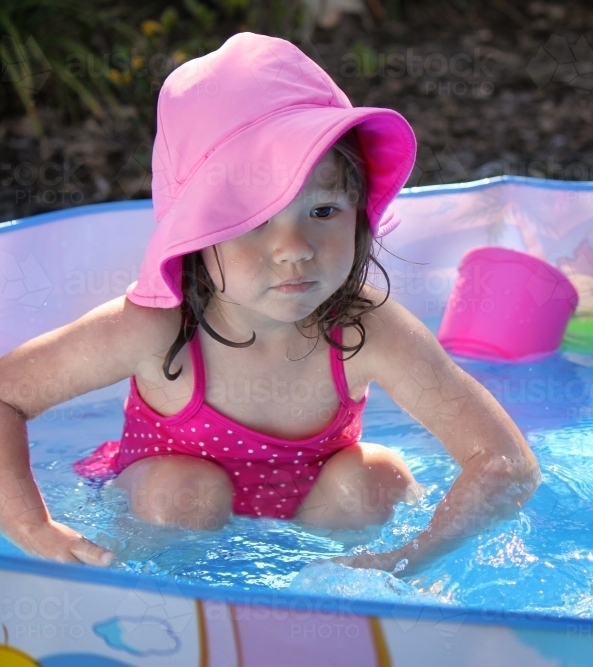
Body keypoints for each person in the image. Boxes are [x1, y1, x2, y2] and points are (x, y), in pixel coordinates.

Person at [0, 32, 540, 575]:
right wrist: (32, 529)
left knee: (375, 481)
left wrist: (407, 560)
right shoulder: (155, 328)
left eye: (324, 211)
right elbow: (6, 395)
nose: (294, 250)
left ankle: (328, 606)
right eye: (252, 222)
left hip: (315, 516)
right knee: (185, 491)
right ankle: (171, 602)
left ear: (359, 212)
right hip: (165, 509)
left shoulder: (367, 330)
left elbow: (505, 463)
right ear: (194, 233)